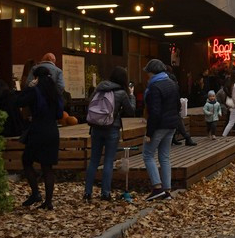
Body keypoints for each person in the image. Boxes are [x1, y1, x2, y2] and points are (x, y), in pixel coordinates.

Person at [84, 66, 136, 201]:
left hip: (96, 127)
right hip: (112, 128)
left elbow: (89, 103)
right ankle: (105, 193)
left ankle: (87, 192)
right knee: (108, 161)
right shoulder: (121, 92)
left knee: (93, 160)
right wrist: (131, 95)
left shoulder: (99, 88)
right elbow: (131, 111)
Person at [16, 66, 64, 210]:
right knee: (47, 168)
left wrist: (27, 89)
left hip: (38, 130)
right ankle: (48, 202)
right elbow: (60, 114)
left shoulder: (35, 91)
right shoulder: (56, 93)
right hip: (53, 130)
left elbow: (19, 102)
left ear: (36, 77)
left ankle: (36, 193)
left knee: (27, 160)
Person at [142, 59, 180, 201]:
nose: (147, 76)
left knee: (147, 155)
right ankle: (167, 190)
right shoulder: (172, 84)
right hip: (171, 125)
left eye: (148, 73)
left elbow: (155, 112)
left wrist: (149, 132)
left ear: (152, 73)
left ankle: (157, 187)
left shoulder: (154, 87)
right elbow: (178, 105)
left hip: (158, 126)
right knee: (164, 157)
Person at [168, 70, 197, 146]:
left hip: (169, 109)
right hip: (170, 110)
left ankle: (175, 138)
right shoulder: (173, 86)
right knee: (178, 122)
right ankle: (187, 138)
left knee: (177, 122)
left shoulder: (166, 84)